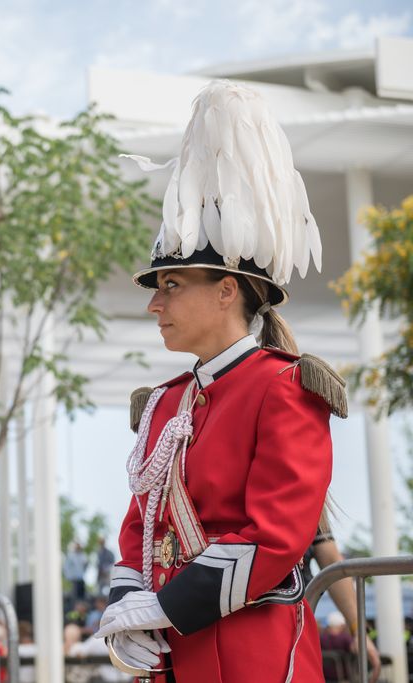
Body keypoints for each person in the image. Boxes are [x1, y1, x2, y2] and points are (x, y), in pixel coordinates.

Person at [94, 81, 346, 682]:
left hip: (251, 653)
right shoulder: (163, 404)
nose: (156, 305)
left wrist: (164, 607)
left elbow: (277, 535)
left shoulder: (284, 385)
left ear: (227, 289)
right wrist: (123, 611)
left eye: (172, 285)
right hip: (172, 655)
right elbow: (141, 523)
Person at [304, 523, 381, 682]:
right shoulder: (341, 638)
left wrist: (358, 630)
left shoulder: (325, 637)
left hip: (297, 622)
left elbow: (332, 561)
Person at [320, 612, 353, 681]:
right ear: (342, 625)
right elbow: (353, 650)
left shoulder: (321, 638)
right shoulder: (345, 637)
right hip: (343, 677)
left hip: (324, 676)